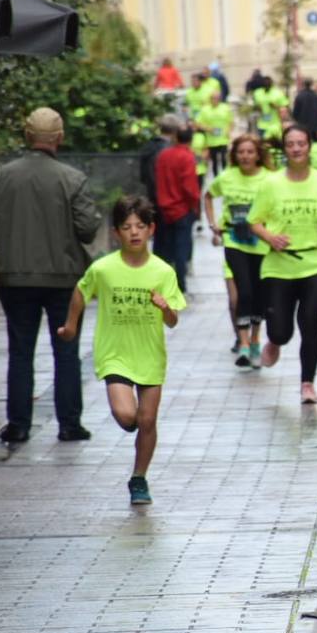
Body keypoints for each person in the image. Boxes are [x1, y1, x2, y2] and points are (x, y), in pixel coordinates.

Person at [0, 107, 101, 445]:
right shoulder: (73, 179)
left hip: (15, 278)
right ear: (59, 138)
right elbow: (88, 230)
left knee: (20, 352)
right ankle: (70, 424)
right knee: (66, 351)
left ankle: (18, 425)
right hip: (63, 279)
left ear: (27, 137)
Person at [56, 196, 186, 505]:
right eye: (127, 227)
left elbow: (173, 321)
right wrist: (70, 326)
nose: (134, 233)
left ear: (151, 229)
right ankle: (133, 427)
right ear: (116, 233)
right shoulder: (104, 268)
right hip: (114, 353)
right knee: (128, 415)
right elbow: (80, 291)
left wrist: (166, 308)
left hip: (150, 355)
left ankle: (139, 477)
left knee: (148, 420)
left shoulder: (163, 271)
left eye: (140, 226)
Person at [247, 125, 317, 404]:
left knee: (310, 324)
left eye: (301, 143)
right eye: (291, 144)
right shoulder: (270, 184)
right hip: (278, 266)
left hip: (315, 263)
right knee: (281, 330)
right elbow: (254, 221)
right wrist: (270, 236)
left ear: (309, 147)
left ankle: (307, 383)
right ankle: (275, 341)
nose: (296, 148)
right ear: (285, 149)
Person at [204, 135, 273, 368]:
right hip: (234, 242)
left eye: (250, 152)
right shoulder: (227, 177)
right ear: (234, 155)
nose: (245, 156)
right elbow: (208, 196)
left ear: (258, 155)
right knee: (243, 292)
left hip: (261, 244)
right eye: (241, 152)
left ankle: (255, 338)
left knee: (259, 294)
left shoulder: (269, 179)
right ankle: (243, 343)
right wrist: (213, 224)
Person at [153, 120, 201, 294]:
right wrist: (195, 205)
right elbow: (190, 187)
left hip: (163, 207)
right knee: (181, 247)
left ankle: (162, 281)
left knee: (164, 246)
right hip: (182, 209)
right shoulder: (187, 157)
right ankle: (180, 282)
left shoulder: (164, 155)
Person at [195, 90, 233, 177]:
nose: (215, 100)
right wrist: (208, 128)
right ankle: (216, 177)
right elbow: (198, 123)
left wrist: (228, 131)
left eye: (217, 98)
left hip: (223, 139)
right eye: (213, 98)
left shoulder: (225, 108)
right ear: (210, 99)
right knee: (214, 161)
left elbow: (231, 122)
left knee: (223, 158)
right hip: (211, 139)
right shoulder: (205, 109)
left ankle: (225, 175)